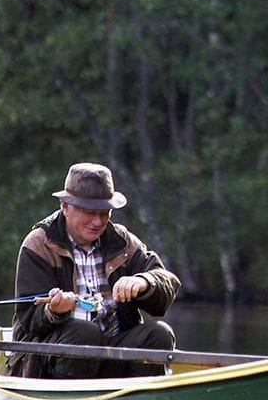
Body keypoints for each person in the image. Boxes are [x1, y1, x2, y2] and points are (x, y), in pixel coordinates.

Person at [10, 162, 181, 378]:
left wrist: (144, 282)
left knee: (160, 335)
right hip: (50, 359)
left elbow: (167, 280)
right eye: (90, 213)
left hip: (112, 349)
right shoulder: (38, 245)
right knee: (84, 333)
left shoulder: (122, 241)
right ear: (65, 207)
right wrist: (54, 311)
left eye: (104, 213)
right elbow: (28, 320)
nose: (98, 222)